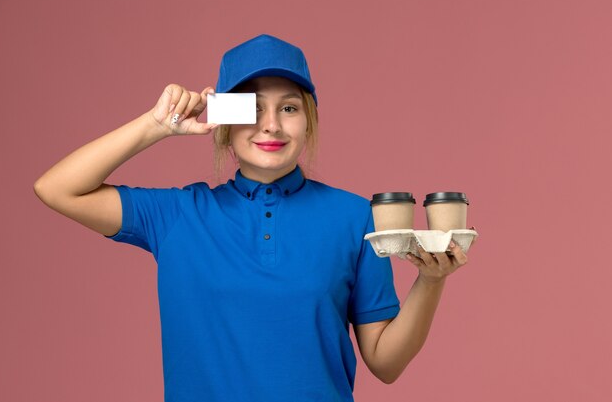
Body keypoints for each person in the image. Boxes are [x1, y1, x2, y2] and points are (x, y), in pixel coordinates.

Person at [34, 34, 470, 402]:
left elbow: (386, 364)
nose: (271, 126)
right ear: (224, 120)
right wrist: (156, 125)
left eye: (289, 108)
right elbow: (57, 188)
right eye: (252, 108)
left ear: (309, 121)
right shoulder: (177, 215)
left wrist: (431, 281)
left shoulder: (356, 217)